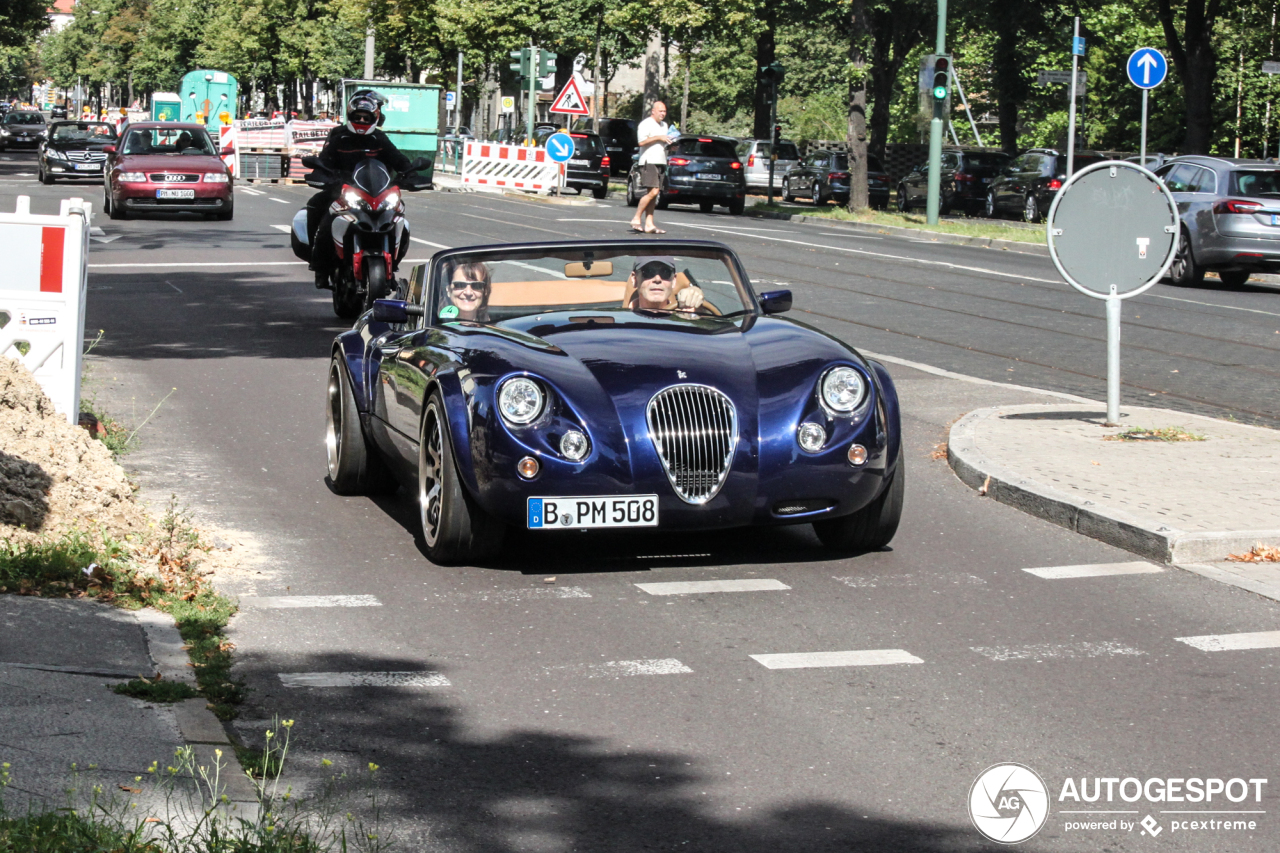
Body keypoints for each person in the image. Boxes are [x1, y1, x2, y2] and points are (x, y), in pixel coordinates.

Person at [305, 92, 413, 288]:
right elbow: (324, 161)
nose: (362, 120)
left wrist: (409, 172)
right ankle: (320, 267)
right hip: (342, 190)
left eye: (366, 117)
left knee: (401, 218)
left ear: (375, 118)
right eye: (358, 117)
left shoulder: (379, 138)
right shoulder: (339, 137)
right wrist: (321, 173)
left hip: (377, 192)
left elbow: (398, 159)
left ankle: (393, 265)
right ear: (350, 116)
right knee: (319, 210)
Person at [631, 101, 672, 234]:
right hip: (649, 161)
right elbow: (641, 142)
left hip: (661, 160)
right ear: (653, 111)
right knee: (653, 192)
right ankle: (636, 218)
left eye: (664, 111)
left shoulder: (665, 125)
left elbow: (662, 142)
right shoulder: (646, 124)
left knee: (655, 194)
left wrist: (671, 145)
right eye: (660, 111)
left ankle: (649, 224)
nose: (662, 114)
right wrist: (658, 137)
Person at [628, 256, 703, 313]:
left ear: (673, 280)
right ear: (634, 279)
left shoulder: (683, 316)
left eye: (665, 273)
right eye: (648, 272)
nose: (657, 279)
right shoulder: (619, 319)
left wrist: (695, 297)